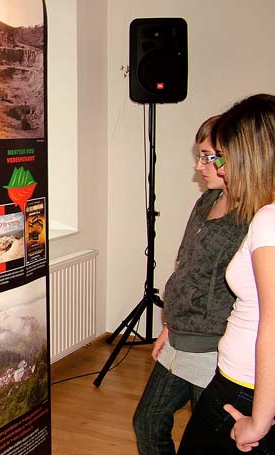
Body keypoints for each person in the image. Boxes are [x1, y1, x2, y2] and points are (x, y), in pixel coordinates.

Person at [133, 115, 248, 455]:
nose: (199, 166)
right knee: (147, 423)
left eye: (208, 157)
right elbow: (187, 265)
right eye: (200, 156)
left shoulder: (253, 218)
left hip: (215, 349)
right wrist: (169, 325)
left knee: (205, 443)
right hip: (181, 337)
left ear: (236, 157)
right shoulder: (207, 201)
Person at [177, 94, 275, 454]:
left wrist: (260, 418)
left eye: (224, 157)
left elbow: (272, 321)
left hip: (245, 387)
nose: (220, 168)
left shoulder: (268, 220)